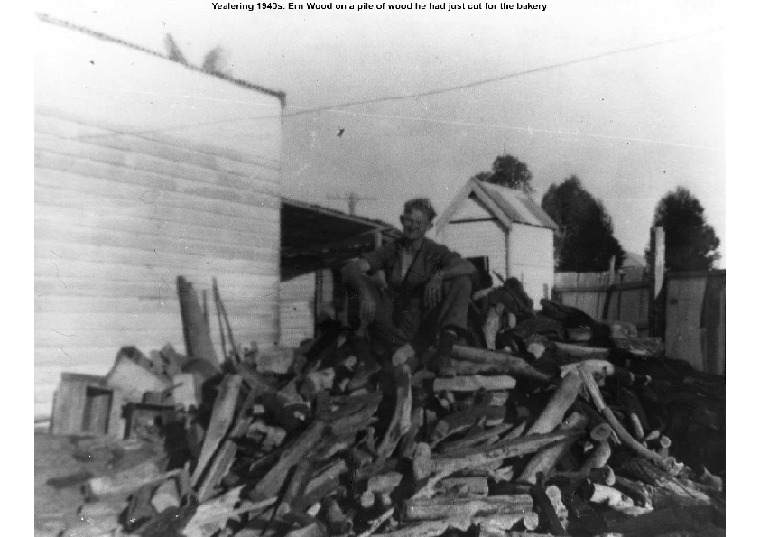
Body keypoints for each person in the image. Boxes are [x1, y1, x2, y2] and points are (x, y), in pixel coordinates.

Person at [341, 198, 476, 370]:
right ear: (401, 220)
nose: (412, 226)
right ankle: (364, 361)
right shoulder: (392, 250)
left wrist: (438, 276)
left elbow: (468, 266)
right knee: (354, 281)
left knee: (461, 280)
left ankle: (443, 355)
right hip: (392, 322)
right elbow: (350, 268)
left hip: (422, 327)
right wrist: (366, 294)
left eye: (418, 222)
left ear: (428, 227)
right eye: (408, 220)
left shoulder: (432, 252)